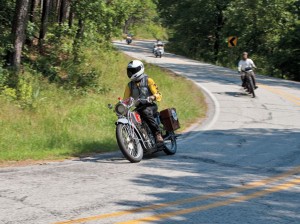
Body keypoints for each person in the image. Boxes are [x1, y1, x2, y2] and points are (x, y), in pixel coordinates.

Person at [124, 60, 163, 143]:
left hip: (150, 106)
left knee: (145, 112)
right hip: (138, 108)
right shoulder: (129, 85)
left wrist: (153, 97)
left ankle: (157, 134)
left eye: (133, 71)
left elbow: (158, 94)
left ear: (139, 69)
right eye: (130, 71)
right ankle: (140, 139)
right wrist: (122, 105)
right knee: (130, 116)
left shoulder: (148, 80)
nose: (131, 73)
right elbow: (125, 100)